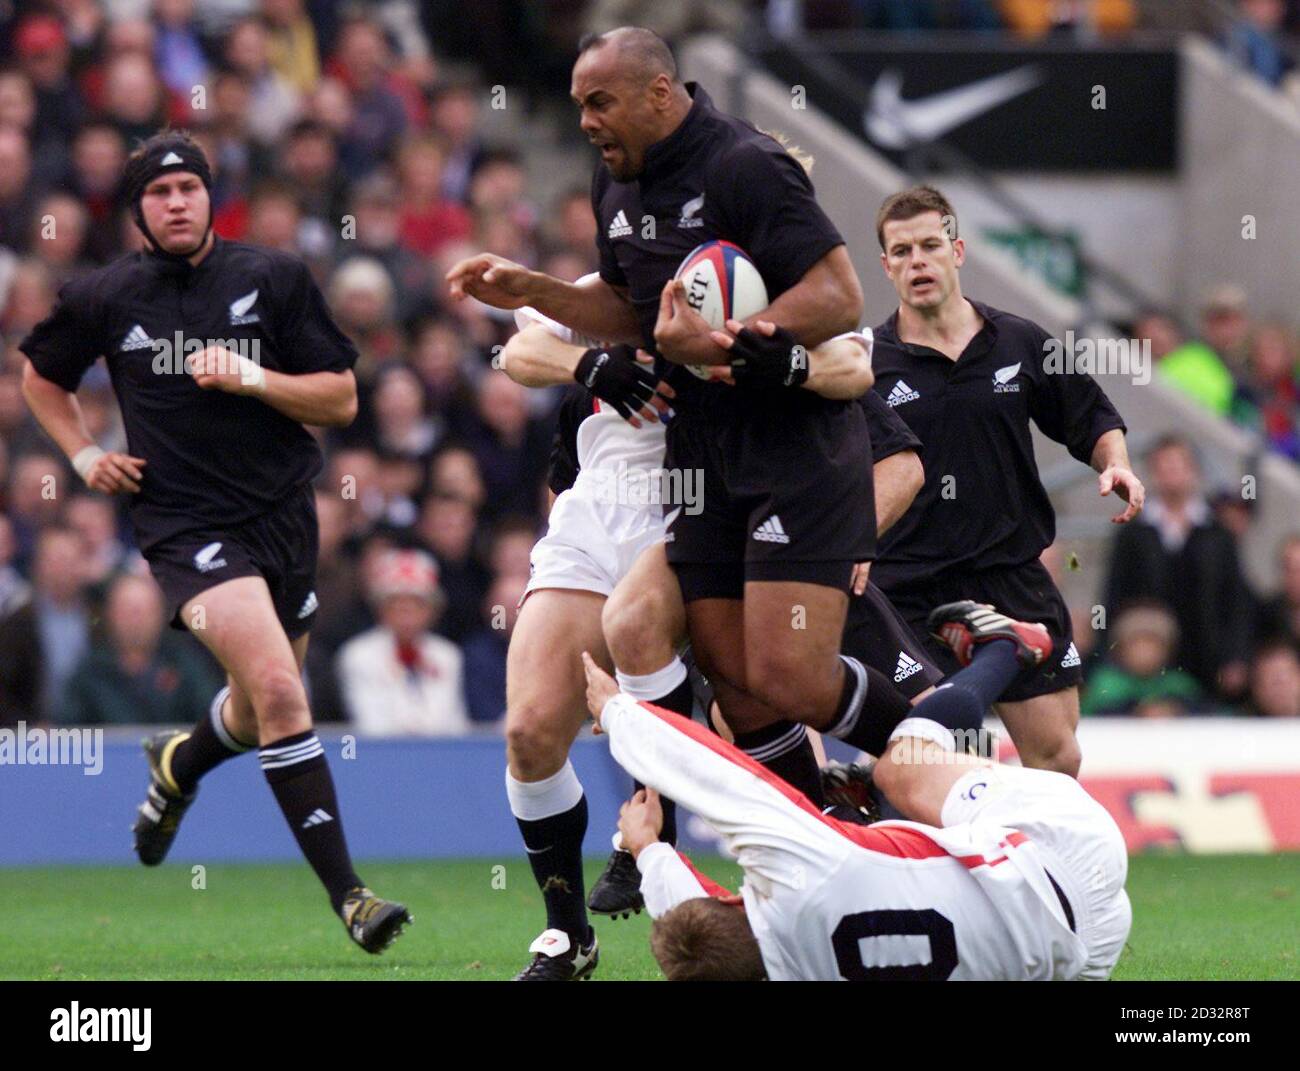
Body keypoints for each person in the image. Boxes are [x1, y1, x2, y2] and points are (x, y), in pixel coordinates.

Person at [449, 25, 872, 860]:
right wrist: (539, 292)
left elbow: (842, 301)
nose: (584, 123)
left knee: (773, 676)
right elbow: (629, 304)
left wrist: (737, 338)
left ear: (658, 93)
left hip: (777, 463)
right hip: (681, 473)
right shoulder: (618, 183)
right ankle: (745, 842)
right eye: (575, 106)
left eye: (598, 102)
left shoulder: (747, 167)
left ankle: (916, 735)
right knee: (698, 675)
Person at [19, 129, 409, 954]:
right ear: (139, 212)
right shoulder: (106, 295)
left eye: (189, 188)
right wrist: (84, 453)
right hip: (183, 527)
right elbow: (41, 377)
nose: (176, 202)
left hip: (285, 519)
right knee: (279, 689)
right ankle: (352, 896)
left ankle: (179, 768)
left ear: (209, 196)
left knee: (255, 701)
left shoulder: (272, 277)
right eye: (159, 194)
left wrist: (253, 376)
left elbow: (340, 400)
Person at [490, 271, 872, 978]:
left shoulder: (782, 287)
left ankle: (807, 840)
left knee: (750, 698)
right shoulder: (623, 276)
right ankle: (568, 934)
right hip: (594, 516)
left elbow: (855, 369)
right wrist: (587, 362)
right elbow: (517, 352)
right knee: (529, 732)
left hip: (705, 512)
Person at [581, 646, 1132, 981]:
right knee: (905, 768)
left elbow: (691, 932)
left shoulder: (750, 965)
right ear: (734, 900)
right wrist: (620, 711)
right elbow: (720, 778)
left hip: (1082, 956)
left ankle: (880, 805)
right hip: (1066, 843)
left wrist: (650, 852)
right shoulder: (797, 870)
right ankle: (1007, 649)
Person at [868, 185, 1145, 776]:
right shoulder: (866, 363)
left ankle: (1055, 870)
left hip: (1011, 576)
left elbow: (1091, 415)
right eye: (901, 251)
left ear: (958, 250)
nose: (917, 261)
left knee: (1057, 755)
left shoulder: (1019, 341)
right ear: (885, 265)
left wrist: (1114, 462)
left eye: (929, 245)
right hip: (908, 587)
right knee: (932, 758)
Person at [1104, 434, 1254, 699]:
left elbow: (1235, 599)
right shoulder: (1133, 533)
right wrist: (1114, 652)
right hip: (1147, 661)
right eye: (1163, 467)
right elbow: (1114, 594)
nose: (1171, 474)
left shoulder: (1218, 533)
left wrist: (1236, 657)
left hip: (1209, 659)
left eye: (1178, 466)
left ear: (1193, 471)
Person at [335, 548, 469, 735]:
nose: (407, 614)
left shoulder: (447, 655)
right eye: (397, 604)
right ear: (381, 609)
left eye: (416, 604)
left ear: (432, 611)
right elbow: (372, 725)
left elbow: (454, 725)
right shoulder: (358, 655)